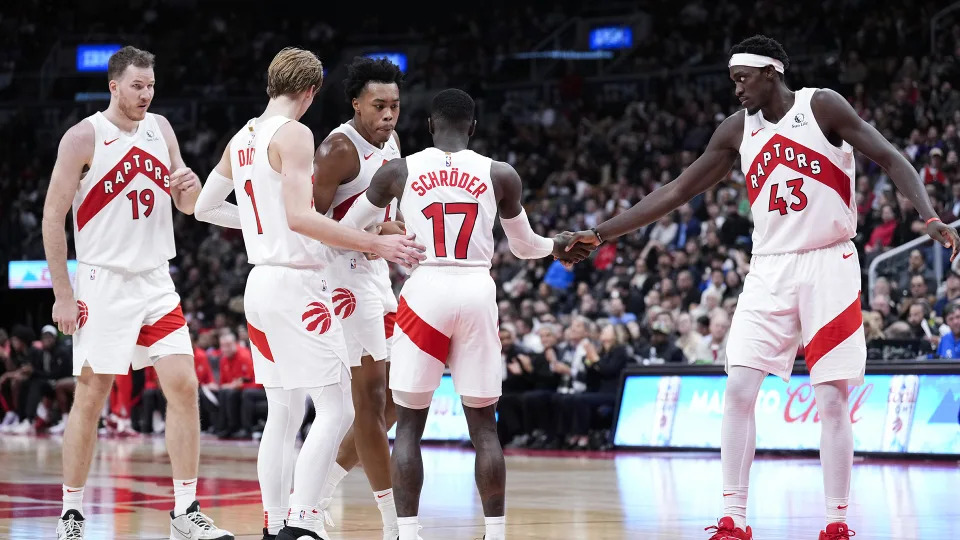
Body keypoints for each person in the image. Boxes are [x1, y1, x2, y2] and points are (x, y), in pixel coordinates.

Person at [565, 35, 960, 540]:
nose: (737, 90)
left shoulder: (822, 105)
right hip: (768, 268)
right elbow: (677, 190)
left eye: (742, 79)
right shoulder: (736, 130)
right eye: (734, 81)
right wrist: (600, 234)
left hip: (829, 263)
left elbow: (890, 156)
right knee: (738, 388)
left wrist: (927, 214)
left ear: (770, 72)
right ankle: (734, 517)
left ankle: (838, 521)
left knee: (833, 398)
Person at [193, 47, 425, 540]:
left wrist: (260, 226)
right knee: (337, 408)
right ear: (311, 90)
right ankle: (303, 520)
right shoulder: (296, 133)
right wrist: (372, 240)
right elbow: (303, 219)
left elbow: (203, 206)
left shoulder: (244, 136)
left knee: (284, 411)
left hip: (260, 281)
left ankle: (276, 522)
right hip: (300, 280)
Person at [338, 88, 590, 540]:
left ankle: (409, 533)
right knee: (483, 426)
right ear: (473, 128)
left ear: (430, 126)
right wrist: (559, 245)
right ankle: (495, 534)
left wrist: (383, 235)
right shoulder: (499, 172)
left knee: (410, 424)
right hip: (477, 288)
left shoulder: (400, 169)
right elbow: (525, 246)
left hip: (426, 289)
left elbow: (349, 227)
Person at [41, 46, 234, 540]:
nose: (146, 94)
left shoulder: (161, 128)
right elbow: (52, 217)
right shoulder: (83, 137)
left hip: (154, 280)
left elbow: (186, 205)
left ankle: (185, 510)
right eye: (137, 86)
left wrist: (188, 187)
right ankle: (71, 513)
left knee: (184, 385)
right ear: (114, 86)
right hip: (103, 282)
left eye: (151, 86)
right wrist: (63, 292)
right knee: (92, 395)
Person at [309, 56, 406, 539]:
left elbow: (383, 217)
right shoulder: (337, 149)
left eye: (394, 106)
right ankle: (395, 526)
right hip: (338, 280)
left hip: (376, 274)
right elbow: (310, 227)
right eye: (378, 106)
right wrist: (372, 237)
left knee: (391, 401)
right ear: (355, 104)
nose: (388, 116)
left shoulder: (394, 146)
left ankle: (316, 493)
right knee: (368, 400)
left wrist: (397, 234)